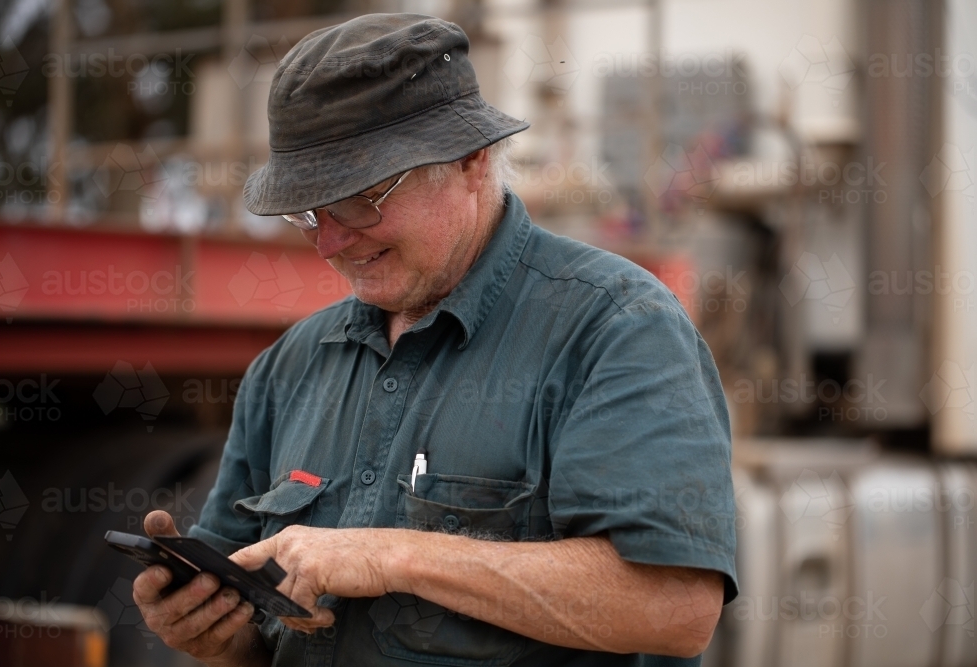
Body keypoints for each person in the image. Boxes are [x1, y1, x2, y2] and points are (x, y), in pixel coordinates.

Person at [132, 13, 737, 667]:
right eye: (308, 211)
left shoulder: (616, 329)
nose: (330, 240)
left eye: (360, 199)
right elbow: (256, 639)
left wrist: (392, 553)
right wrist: (217, 636)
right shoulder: (289, 366)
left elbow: (676, 608)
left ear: (472, 160)